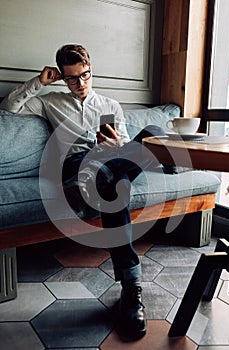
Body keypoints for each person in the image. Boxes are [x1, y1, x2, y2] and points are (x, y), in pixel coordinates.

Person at [0, 44, 165, 341]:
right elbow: (9, 107)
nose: (81, 83)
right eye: (72, 78)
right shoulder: (51, 101)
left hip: (111, 160)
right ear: (63, 77)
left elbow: (127, 145)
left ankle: (87, 191)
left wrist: (117, 147)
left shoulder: (110, 105)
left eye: (85, 75)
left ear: (91, 68)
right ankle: (131, 289)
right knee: (114, 184)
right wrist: (40, 82)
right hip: (76, 165)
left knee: (154, 131)